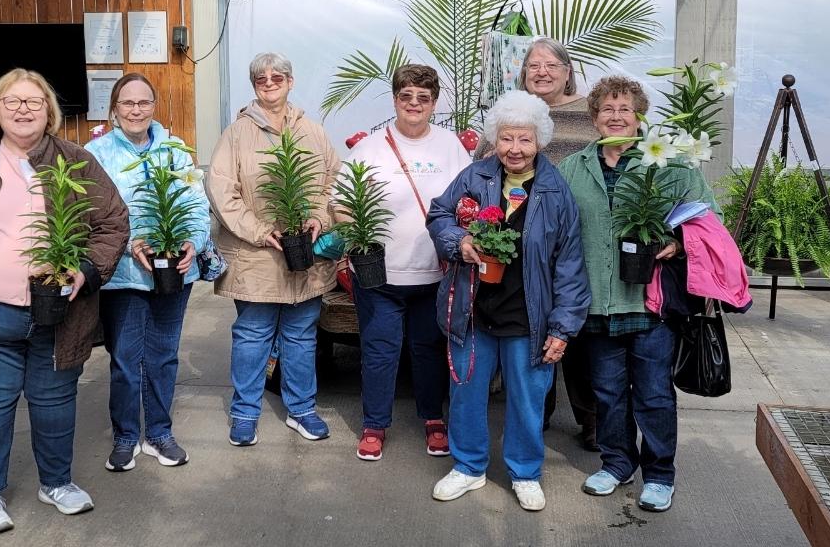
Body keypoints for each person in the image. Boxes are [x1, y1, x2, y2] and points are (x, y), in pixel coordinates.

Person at [0, 69, 129, 536]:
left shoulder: (76, 161)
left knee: (54, 399)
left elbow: (113, 222)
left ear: (49, 112)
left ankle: (56, 483)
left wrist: (86, 270)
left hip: (60, 311)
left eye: (34, 102)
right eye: (12, 101)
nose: (23, 110)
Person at [558, 75, 719, 513]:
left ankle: (660, 475)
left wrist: (678, 245)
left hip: (651, 304)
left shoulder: (670, 164)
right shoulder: (573, 168)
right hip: (596, 301)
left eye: (625, 109)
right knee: (608, 393)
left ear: (639, 116)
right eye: (607, 109)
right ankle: (617, 464)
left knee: (653, 394)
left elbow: (708, 217)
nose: (616, 116)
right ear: (594, 118)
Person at [427, 91, 590, 511]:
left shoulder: (556, 190)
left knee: (527, 399)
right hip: (472, 311)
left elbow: (570, 265)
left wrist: (562, 328)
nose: (514, 148)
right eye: (506, 138)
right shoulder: (475, 176)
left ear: (540, 142)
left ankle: (525, 472)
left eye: (524, 139)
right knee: (466, 393)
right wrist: (459, 241)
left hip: (529, 317)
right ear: (495, 139)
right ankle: (468, 467)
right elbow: (439, 215)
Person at [205, 52, 340, 446]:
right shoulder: (236, 134)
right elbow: (221, 191)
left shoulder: (313, 131)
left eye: (277, 76)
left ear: (290, 81)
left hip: (305, 256)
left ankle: (302, 409)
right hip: (256, 256)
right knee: (252, 335)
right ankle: (245, 413)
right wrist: (260, 231)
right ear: (254, 86)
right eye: (261, 78)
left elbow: (332, 181)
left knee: (301, 336)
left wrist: (319, 218)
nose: (269, 82)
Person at [343, 64, 471, 462]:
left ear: (434, 103)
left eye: (423, 98)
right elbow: (340, 202)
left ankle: (433, 419)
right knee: (379, 351)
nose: (414, 104)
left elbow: (469, 202)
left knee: (429, 348)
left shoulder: (450, 147)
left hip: (434, 272)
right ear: (395, 99)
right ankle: (374, 425)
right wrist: (356, 236)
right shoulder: (371, 147)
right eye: (406, 96)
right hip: (380, 273)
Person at [85, 73, 210, 471]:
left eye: (143, 102)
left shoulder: (175, 149)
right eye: (127, 103)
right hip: (123, 275)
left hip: (173, 270)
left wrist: (193, 242)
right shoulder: (97, 153)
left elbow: (197, 202)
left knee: (164, 356)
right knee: (125, 359)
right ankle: (125, 436)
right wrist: (130, 243)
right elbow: (92, 215)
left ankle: (158, 433)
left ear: (154, 107)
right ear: (114, 109)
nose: (136, 110)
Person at [520, 37, 600, 449]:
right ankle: (537, 414)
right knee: (533, 330)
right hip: (525, 247)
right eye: (534, 65)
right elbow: (484, 161)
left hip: (581, 241)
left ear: (568, 72)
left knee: (580, 334)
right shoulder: (514, 111)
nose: (542, 72)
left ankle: (592, 419)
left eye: (551, 65)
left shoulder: (591, 115)